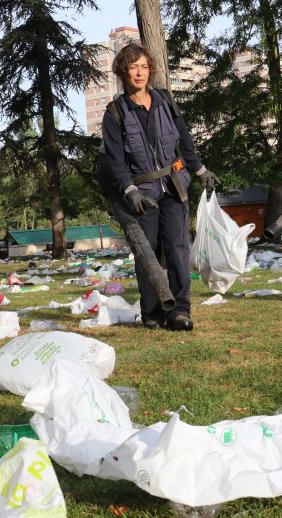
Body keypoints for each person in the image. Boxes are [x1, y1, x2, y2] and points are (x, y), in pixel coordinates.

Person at [98, 43, 218, 330]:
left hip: (174, 187)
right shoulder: (114, 113)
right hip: (142, 194)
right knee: (147, 253)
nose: (139, 73)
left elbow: (184, 141)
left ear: (150, 69)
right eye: (132, 67)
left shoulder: (164, 100)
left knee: (177, 249)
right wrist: (131, 192)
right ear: (123, 72)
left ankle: (180, 311)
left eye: (143, 66)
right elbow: (114, 161)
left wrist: (201, 171)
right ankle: (152, 311)